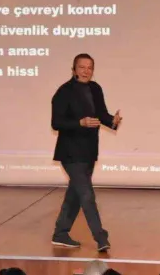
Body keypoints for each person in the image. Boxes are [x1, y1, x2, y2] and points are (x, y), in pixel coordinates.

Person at [51, 53, 122, 252]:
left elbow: (101, 114)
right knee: (86, 195)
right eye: (82, 67)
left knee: (75, 195)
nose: (86, 71)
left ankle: (60, 233)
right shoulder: (63, 92)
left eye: (90, 68)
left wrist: (112, 121)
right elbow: (56, 123)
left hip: (89, 151)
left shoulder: (95, 88)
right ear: (74, 69)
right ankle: (101, 237)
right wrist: (80, 123)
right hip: (70, 153)